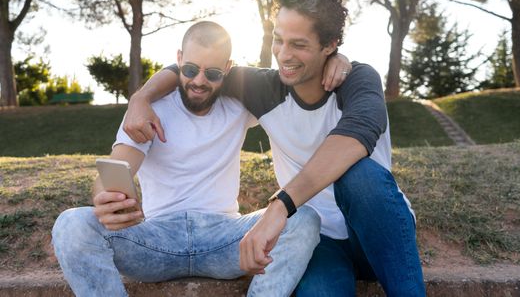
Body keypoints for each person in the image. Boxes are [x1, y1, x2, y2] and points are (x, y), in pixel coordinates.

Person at [124, 0, 425, 296]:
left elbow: (355, 137)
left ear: (330, 45)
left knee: (360, 176)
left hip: (374, 234)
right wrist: (141, 98)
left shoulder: (359, 80)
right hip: (318, 240)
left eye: (299, 45)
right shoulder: (263, 87)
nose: (283, 54)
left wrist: (280, 205)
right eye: (279, 40)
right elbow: (192, 68)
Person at [51, 21, 325, 297]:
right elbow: (115, 168)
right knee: (71, 224)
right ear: (179, 59)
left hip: (227, 239)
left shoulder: (241, 102)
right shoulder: (147, 109)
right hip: (156, 241)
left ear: (228, 69)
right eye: (191, 69)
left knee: (303, 217)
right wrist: (106, 198)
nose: (199, 81)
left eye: (213, 73)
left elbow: (296, 83)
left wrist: (335, 60)